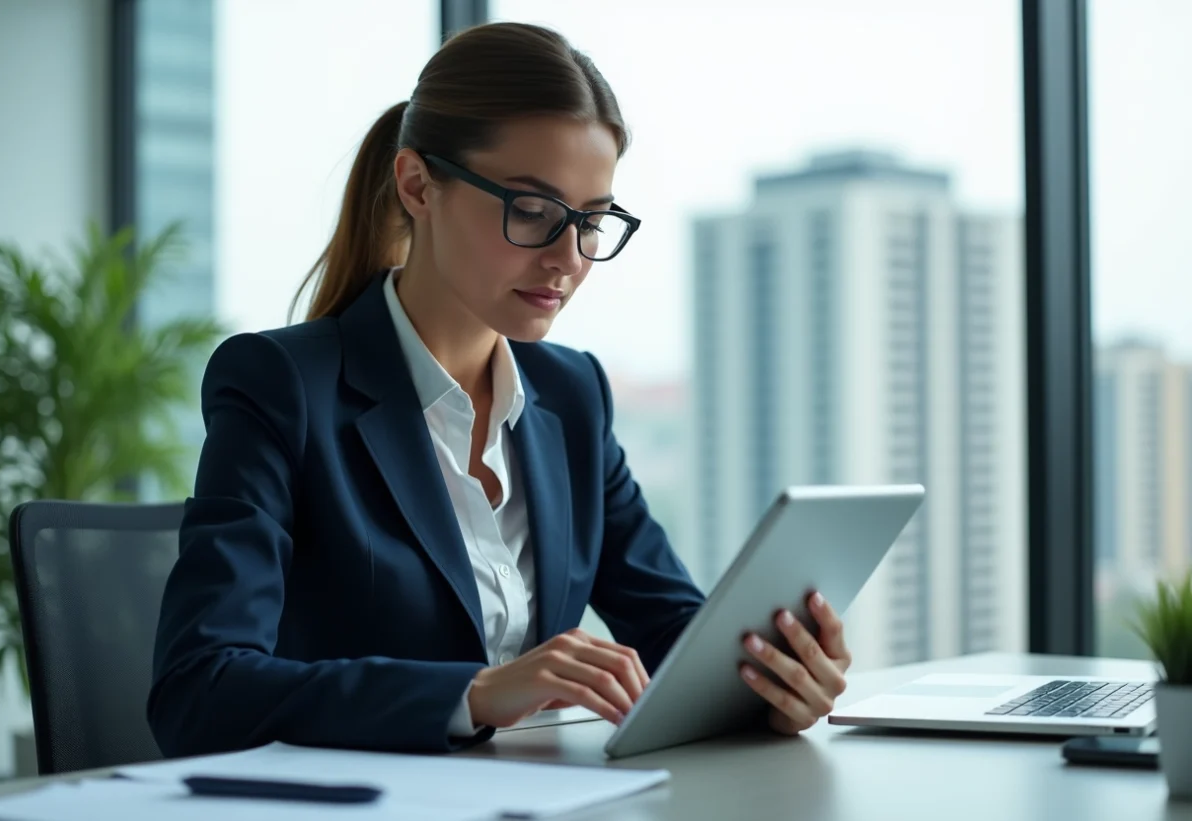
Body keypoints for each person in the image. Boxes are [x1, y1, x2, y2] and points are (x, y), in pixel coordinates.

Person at [147, 21, 852, 758]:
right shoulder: (282, 388)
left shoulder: (571, 395)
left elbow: (676, 631)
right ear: (418, 186)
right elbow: (200, 691)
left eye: (591, 220)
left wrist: (769, 683)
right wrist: (476, 692)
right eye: (534, 212)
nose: (568, 258)